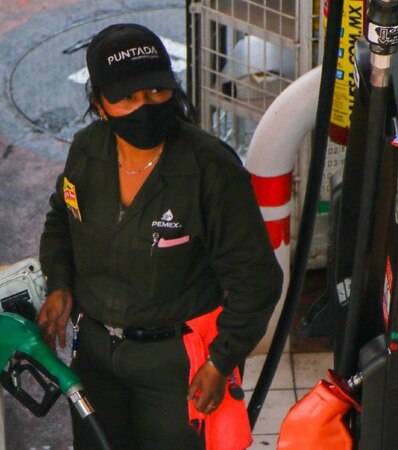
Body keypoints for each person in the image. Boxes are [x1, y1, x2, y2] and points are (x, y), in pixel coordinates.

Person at [37, 23, 283, 450]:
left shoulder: (210, 169)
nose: (144, 107)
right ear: (98, 104)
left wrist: (220, 361)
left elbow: (256, 279)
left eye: (155, 92)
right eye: (127, 98)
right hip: (94, 356)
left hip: (174, 368)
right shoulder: (86, 150)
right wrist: (59, 282)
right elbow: (61, 219)